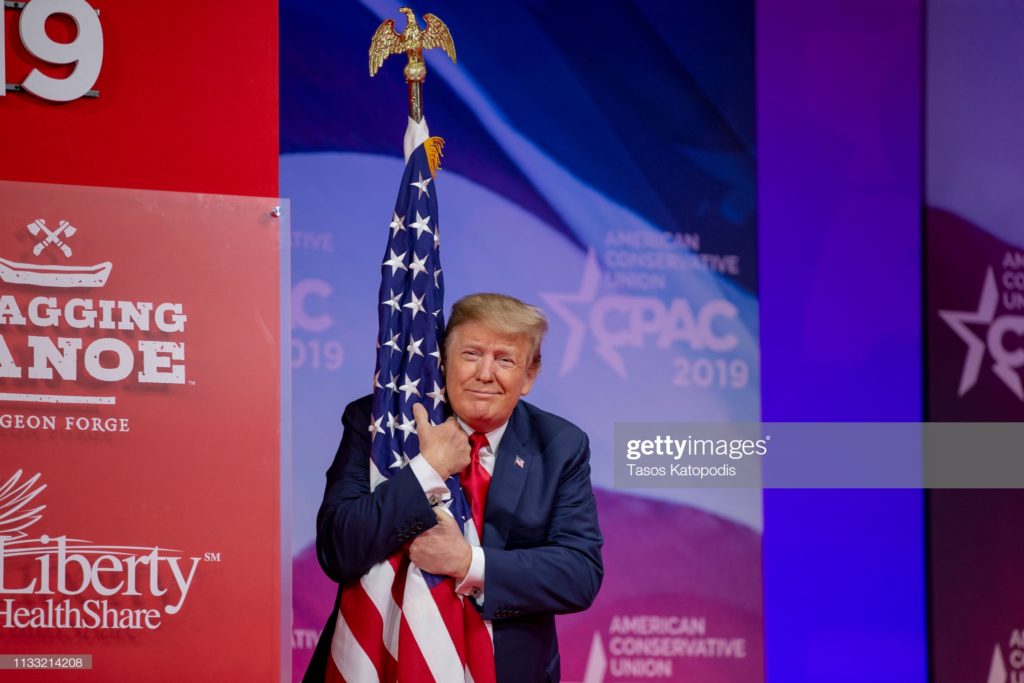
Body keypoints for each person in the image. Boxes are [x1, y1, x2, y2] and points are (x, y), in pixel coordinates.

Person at [304, 293, 603, 683]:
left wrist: (467, 563)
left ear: (530, 376)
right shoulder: (380, 426)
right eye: (471, 354)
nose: (485, 373)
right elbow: (338, 549)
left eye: (505, 360)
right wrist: (426, 470)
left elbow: (578, 575)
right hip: (383, 664)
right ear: (442, 361)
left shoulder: (560, 445)